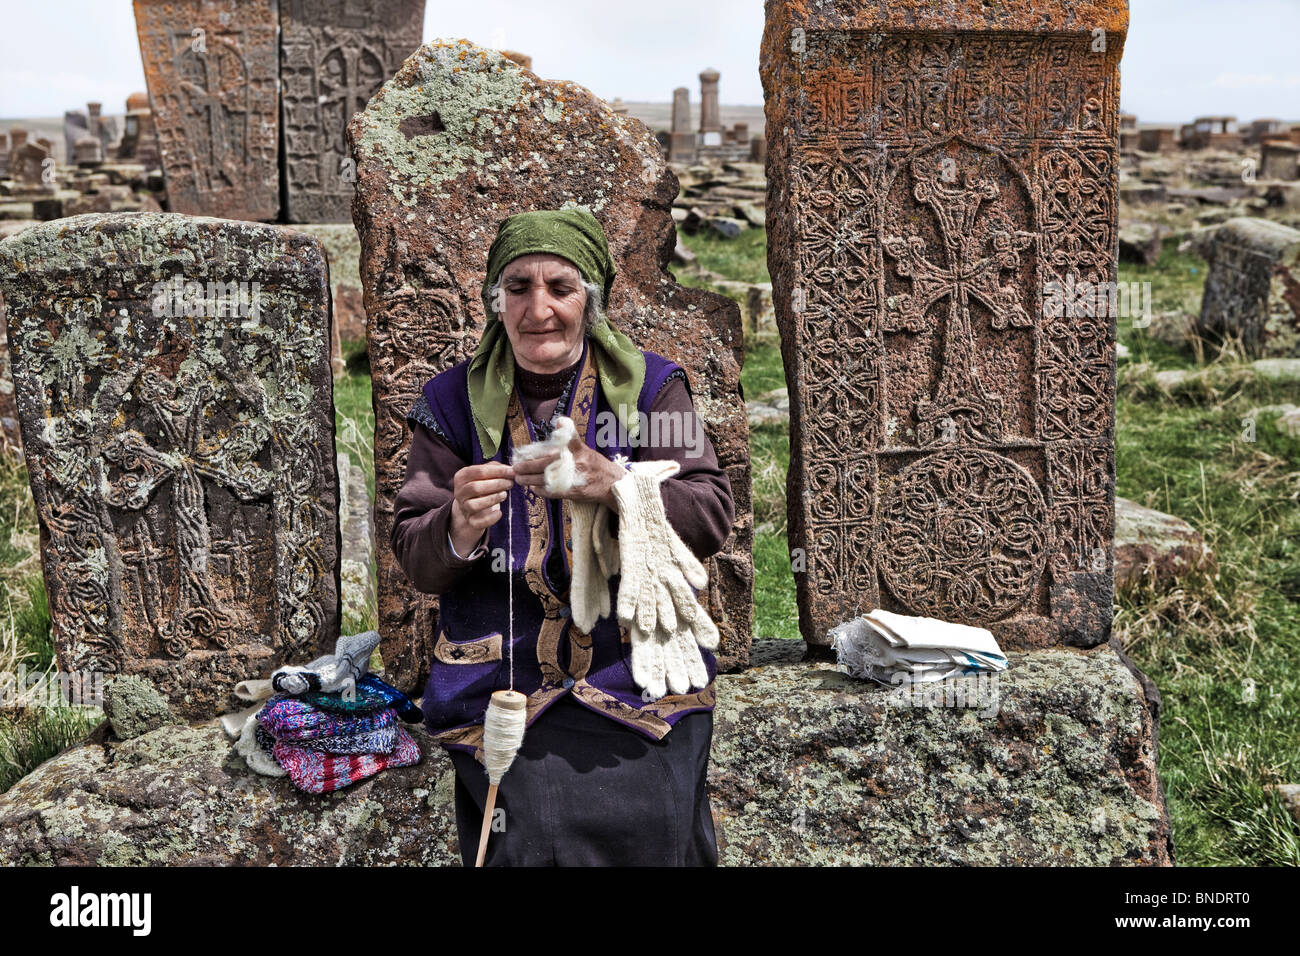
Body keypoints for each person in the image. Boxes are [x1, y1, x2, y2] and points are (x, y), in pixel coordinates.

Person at [390, 206, 735, 866]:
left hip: (635, 672)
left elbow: (711, 510)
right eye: (518, 287)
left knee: (656, 819)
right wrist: (457, 524)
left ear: (592, 302)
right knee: (533, 834)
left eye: (561, 289)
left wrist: (618, 485)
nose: (538, 309)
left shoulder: (652, 391)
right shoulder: (451, 403)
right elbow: (417, 553)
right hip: (502, 677)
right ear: (496, 301)